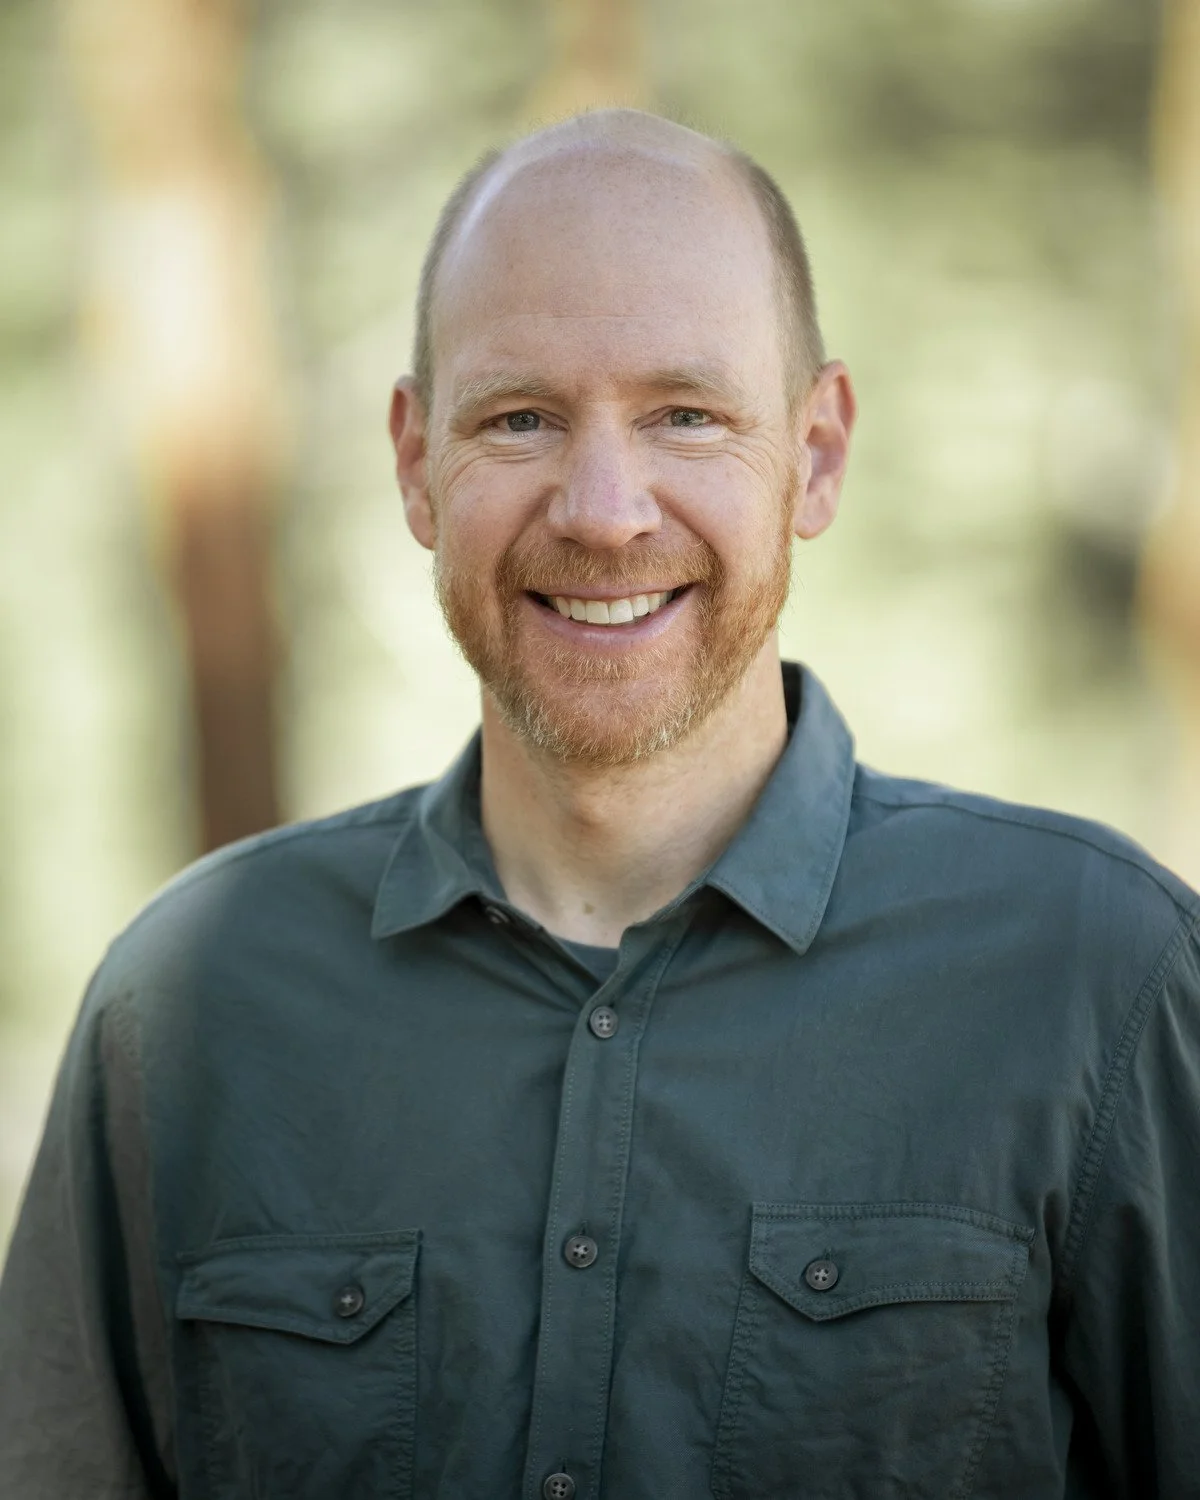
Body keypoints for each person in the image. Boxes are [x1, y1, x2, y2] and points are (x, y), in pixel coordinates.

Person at [1, 107, 1197, 1500]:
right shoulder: (190, 1004)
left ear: (815, 454)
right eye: (521, 418)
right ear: (412, 462)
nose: (605, 508)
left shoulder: (1096, 978)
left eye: (685, 414)